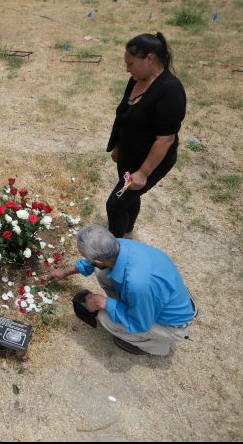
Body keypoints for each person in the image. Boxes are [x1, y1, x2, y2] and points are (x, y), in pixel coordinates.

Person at [48, 225, 196, 356]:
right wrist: (65, 271)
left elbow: (140, 323)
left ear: (98, 261)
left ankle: (157, 347)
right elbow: (93, 262)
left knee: (106, 318)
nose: (88, 261)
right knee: (103, 274)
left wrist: (105, 304)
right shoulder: (120, 245)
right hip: (163, 300)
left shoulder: (137, 285)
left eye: (88, 258)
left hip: (172, 325)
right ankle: (129, 308)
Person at [105, 31, 186, 238]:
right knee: (129, 198)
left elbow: (165, 139)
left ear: (149, 58)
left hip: (150, 161)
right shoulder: (136, 80)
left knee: (115, 204)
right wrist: (118, 145)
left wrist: (143, 173)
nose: (127, 69)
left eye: (131, 63)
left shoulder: (170, 90)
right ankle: (128, 233)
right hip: (129, 156)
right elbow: (125, 115)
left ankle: (116, 251)